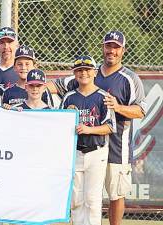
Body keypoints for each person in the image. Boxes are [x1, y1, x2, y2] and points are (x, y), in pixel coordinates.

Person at [49, 31, 147, 225]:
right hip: (86, 146)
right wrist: (33, 93)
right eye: (108, 46)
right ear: (103, 48)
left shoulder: (129, 78)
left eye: (116, 47)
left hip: (118, 146)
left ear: (123, 50)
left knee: (115, 194)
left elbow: (141, 110)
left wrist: (117, 107)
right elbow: (53, 86)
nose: (111, 50)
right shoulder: (89, 73)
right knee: (83, 197)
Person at [60, 56, 116, 225]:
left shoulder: (102, 96)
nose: (83, 73)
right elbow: (60, 124)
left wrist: (88, 129)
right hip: (75, 152)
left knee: (92, 200)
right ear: (74, 73)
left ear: (94, 72)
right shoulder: (69, 97)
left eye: (87, 69)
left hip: (96, 152)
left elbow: (110, 127)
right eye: (79, 70)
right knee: (76, 200)